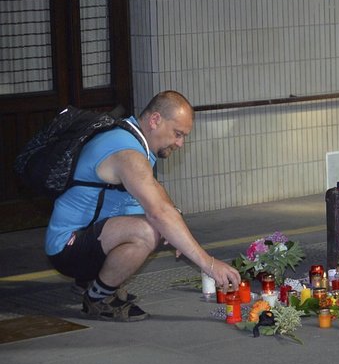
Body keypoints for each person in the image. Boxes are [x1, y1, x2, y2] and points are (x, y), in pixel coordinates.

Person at [45, 91, 241, 321]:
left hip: (88, 237)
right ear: (155, 120)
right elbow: (158, 212)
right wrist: (209, 264)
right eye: (178, 134)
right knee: (149, 231)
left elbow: (156, 192)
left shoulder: (131, 139)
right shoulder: (127, 153)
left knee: (164, 223)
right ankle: (98, 298)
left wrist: (176, 225)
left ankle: (91, 279)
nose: (180, 143)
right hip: (68, 247)